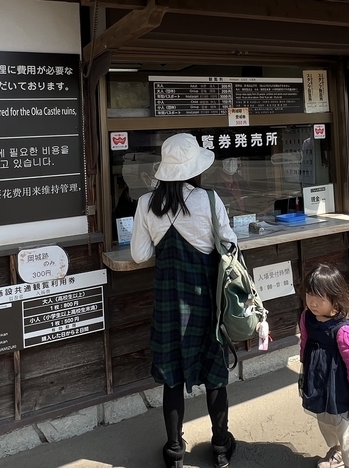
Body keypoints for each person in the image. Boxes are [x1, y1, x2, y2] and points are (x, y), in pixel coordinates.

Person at [131, 133, 240, 468]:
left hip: (168, 305)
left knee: (172, 377)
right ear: (195, 170)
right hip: (206, 303)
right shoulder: (209, 200)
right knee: (215, 374)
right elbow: (231, 245)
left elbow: (139, 255)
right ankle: (221, 446)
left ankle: (175, 451)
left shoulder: (146, 204)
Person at [299, 263, 349, 468]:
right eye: (309, 294)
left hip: (338, 385)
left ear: (335, 298)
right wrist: (305, 367)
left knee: (345, 426)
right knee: (324, 419)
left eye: (320, 297)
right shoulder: (306, 317)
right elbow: (304, 342)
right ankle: (336, 452)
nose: (313, 302)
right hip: (317, 378)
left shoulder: (343, 330)